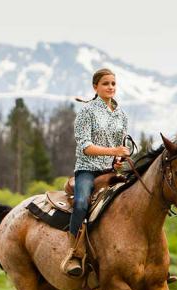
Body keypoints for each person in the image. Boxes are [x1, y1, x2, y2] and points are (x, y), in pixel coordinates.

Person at [61, 68, 130, 277]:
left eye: (113, 84)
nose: (110, 87)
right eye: (106, 84)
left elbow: (120, 145)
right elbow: (85, 146)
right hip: (87, 170)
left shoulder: (121, 115)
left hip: (111, 170)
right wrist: (114, 151)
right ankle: (73, 253)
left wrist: (119, 159)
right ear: (95, 87)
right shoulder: (87, 112)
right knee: (81, 203)